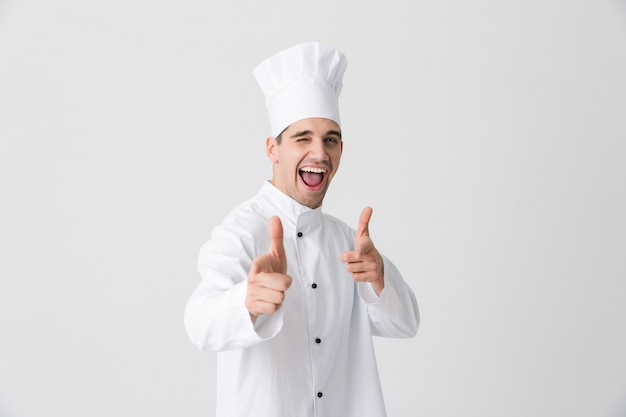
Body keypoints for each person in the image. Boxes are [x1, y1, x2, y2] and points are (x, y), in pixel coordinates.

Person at [184, 41, 420, 417]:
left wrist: (379, 278)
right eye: (302, 138)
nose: (320, 153)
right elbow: (199, 323)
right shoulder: (242, 232)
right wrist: (247, 300)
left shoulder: (348, 241)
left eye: (331, 139)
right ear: (272, 149)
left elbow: (406, 324)